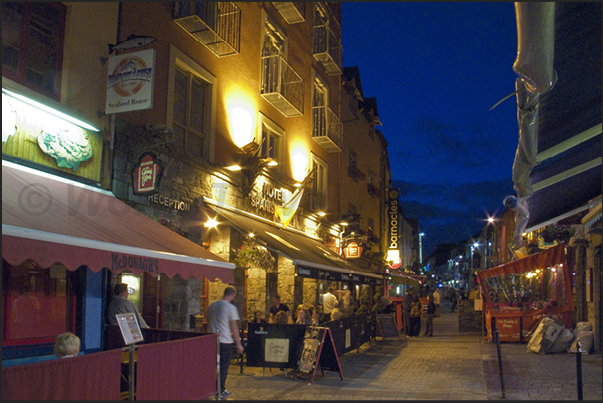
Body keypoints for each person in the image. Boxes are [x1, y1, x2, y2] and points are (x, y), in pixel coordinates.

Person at [206, 286, 244, 398]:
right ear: (233, 295)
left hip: (212, 339)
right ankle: (220, 389)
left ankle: (210, 388)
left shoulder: (212, 306)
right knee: (223, 366)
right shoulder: (230, 308)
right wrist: (238, 343)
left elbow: (208, 321)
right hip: (225, 340)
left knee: (212, 365)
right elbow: (234, 327)